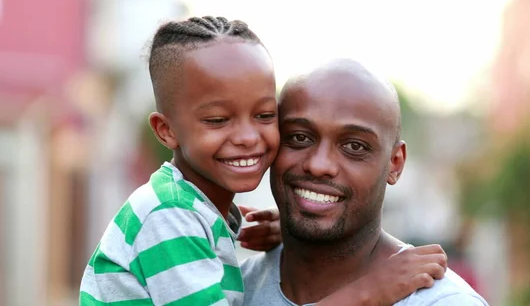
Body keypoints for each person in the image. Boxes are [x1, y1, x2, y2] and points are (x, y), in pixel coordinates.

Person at [79, 17, 447, 306]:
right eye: (217, 120)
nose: (247, 137)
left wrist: (280, 233)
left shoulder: (194, 213)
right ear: (166, 131)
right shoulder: (166, 218)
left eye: (264, 115)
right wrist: (371, 291)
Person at [241, 58, 489, 305]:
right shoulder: (228, 290)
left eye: (354, 146)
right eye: (299, 137)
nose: (319, 165)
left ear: (395, 164)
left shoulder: (442, 302)